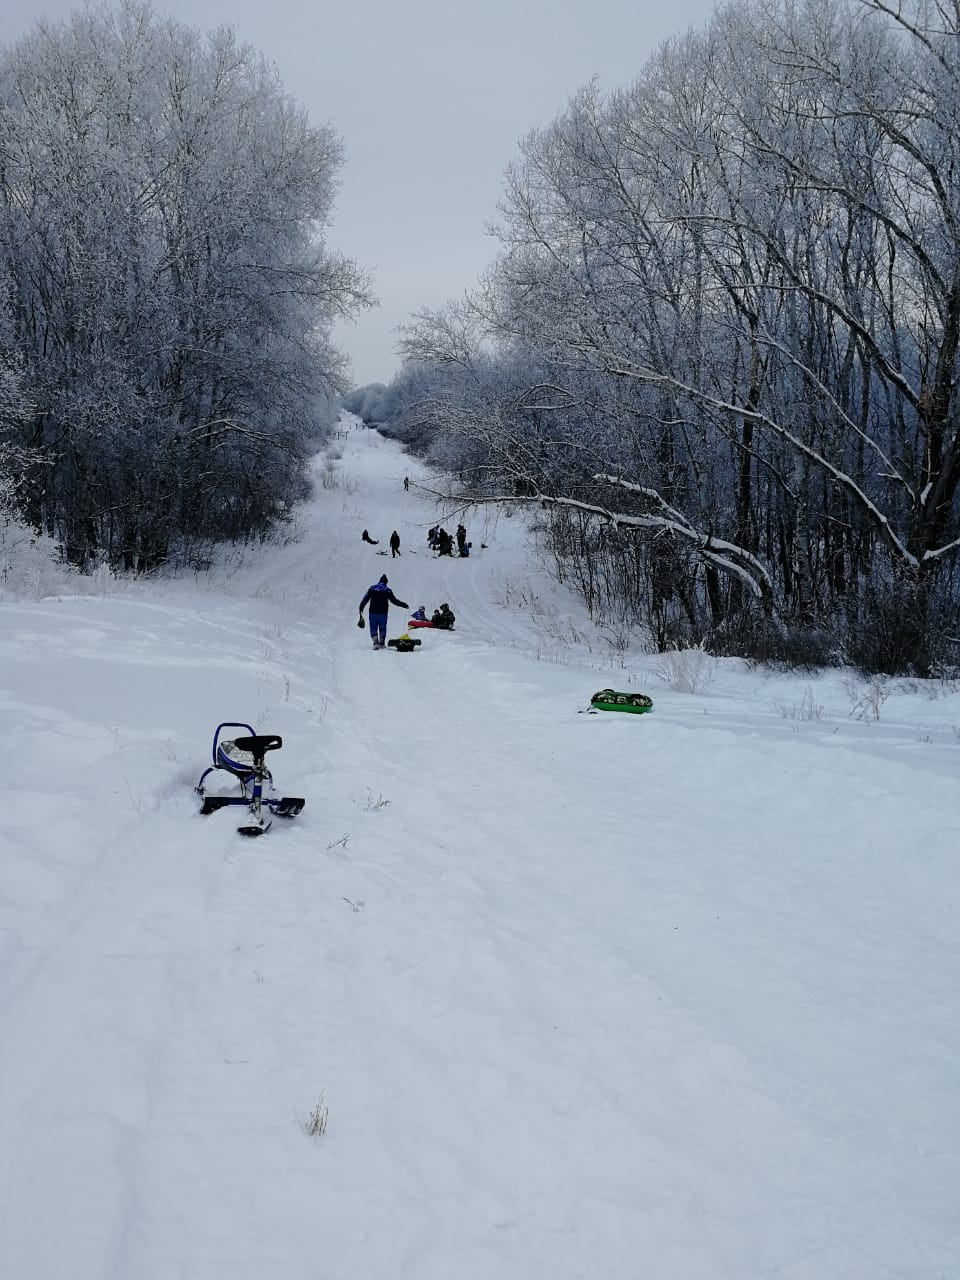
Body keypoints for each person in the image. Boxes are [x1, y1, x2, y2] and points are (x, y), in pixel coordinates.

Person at [359, 574, 409, 649]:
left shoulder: (372, 588)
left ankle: (375, 642)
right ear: (386, 582)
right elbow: (394, 601)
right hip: (383, 613)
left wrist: (361, 608)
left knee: (373, 627)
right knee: (382, 627)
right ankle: (382, 642)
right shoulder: (387, 590)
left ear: (379, 581)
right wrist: (404, 605)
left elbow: (365, 599)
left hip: (373, 612)